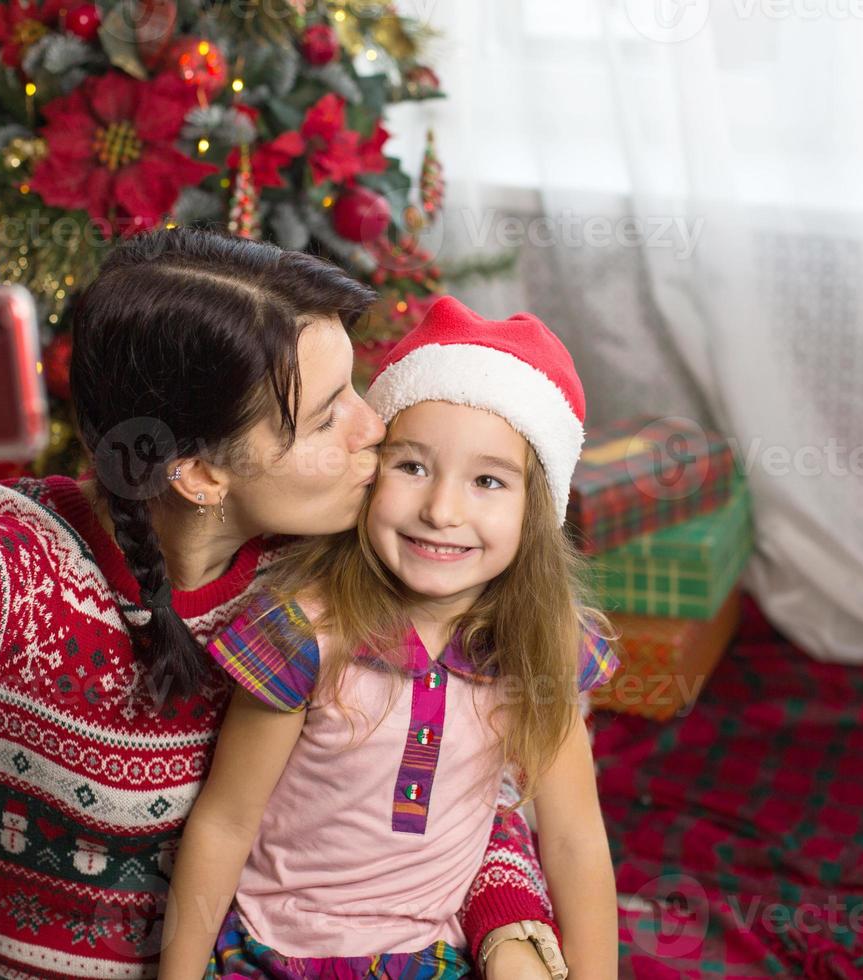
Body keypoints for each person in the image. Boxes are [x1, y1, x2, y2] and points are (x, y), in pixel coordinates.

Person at [0, 231, 567, 978]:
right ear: (200, 474)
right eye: (325, 419)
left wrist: (511, 931)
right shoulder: (17, 566)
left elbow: (447, 784)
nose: (374, 431)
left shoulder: (339, 568)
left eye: (356, 390)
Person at [159, 296, 620, 979]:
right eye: (412, 467)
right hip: (271, 954)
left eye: (489, 481)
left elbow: (575, 840)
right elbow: (225, 822)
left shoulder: (538, 648)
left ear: (536, 513)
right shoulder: (303, 632)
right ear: (371, 473)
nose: (441, 510)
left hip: (428, 960)